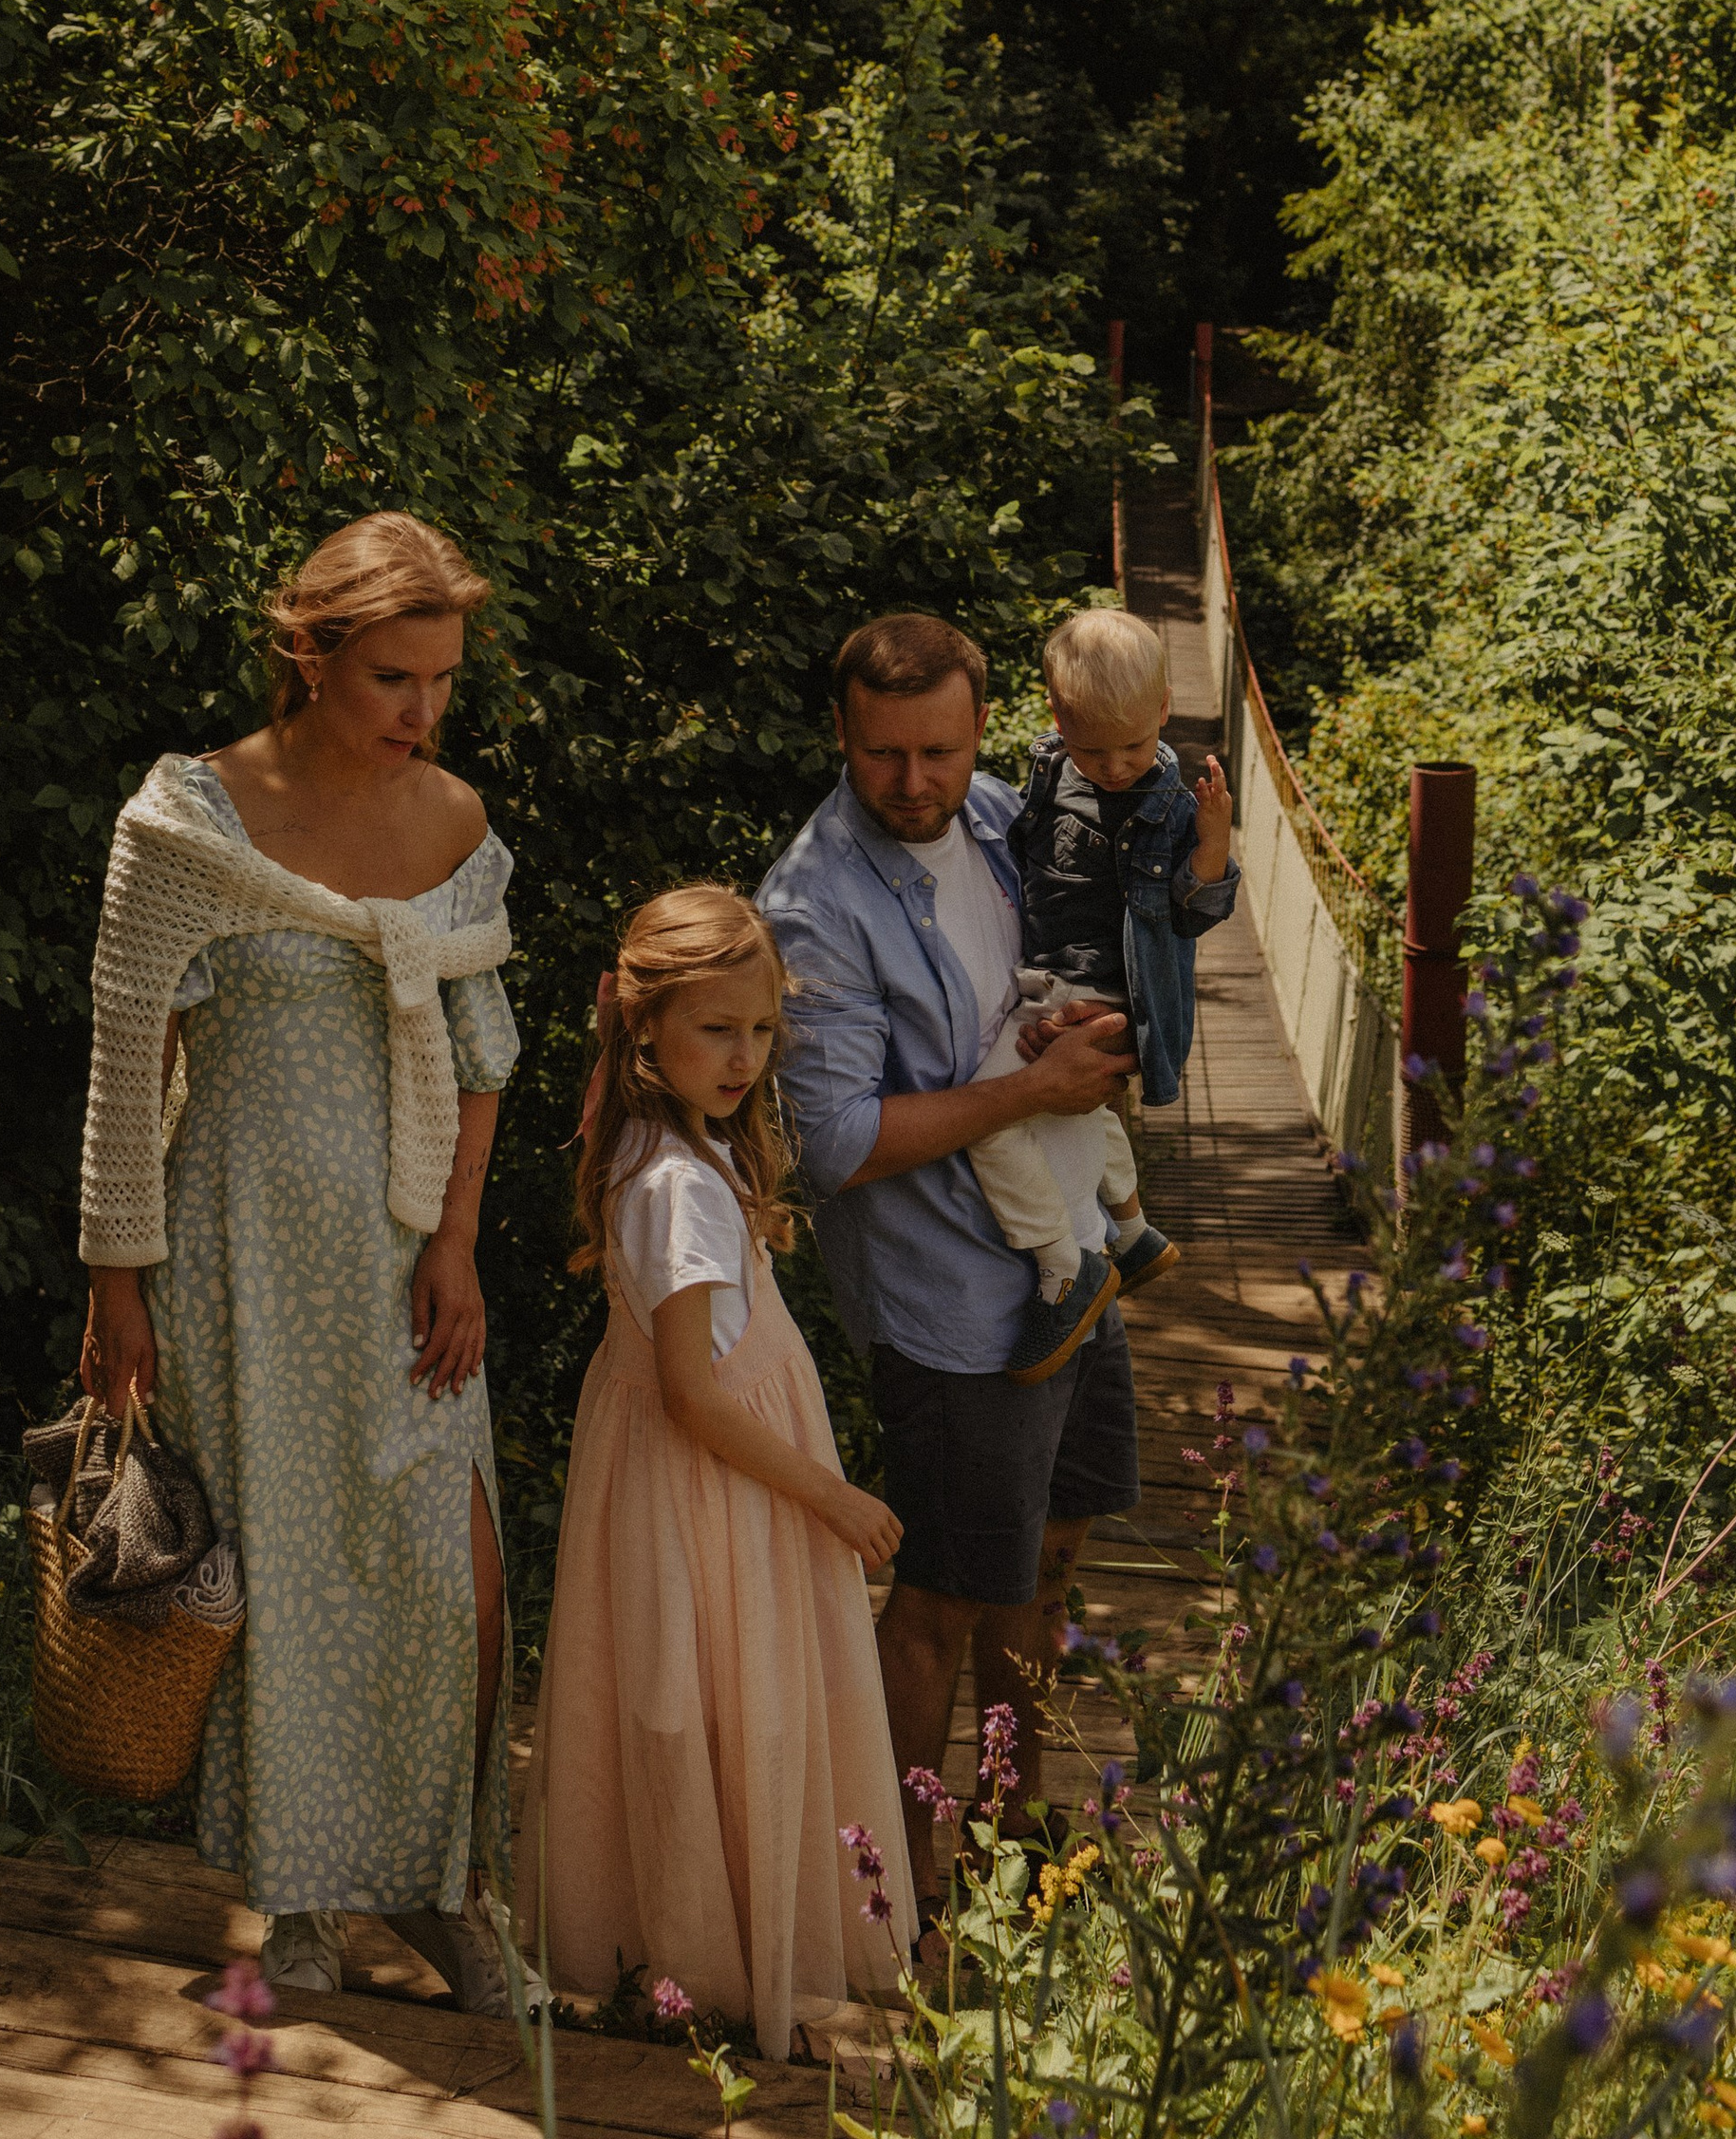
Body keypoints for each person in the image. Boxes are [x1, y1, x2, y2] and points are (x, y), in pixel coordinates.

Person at [76, 510, 525, 2015]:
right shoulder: (187, 824)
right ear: (312, 654)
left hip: (404, 1260)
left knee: (451, 1580)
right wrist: (115, 1284)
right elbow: (128, 1062)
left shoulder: (454, 825)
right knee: (283, 1581)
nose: (424, 711)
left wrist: (458, 1240)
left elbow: (482, 1051)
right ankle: (306, 1902)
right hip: (235, 1258)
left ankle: (460, 1896)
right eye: (396, 676)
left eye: (445, 680)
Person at [755, 612, 1141, 1938]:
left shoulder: (998, 818)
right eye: (880, 757)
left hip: (1067, 1255)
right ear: (845, 739)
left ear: (980, 729)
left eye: (934, 750)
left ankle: (1009, 1821)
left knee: (1053, 1547)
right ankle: (895, 1886)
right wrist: (1037, 1084)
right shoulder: (812, 903)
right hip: (950, 1303)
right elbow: (832, 1144)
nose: (911, 783)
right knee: (938, 1598)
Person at [518, 887, 911, 2059]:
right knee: (722, 1705)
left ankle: (703, 1952)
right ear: (644, 1032)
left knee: (695, 1702)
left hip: (702, 1486)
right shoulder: (677, 1187)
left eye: (760, 1029)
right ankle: (717, 1965)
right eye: (716, 1031)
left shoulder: (674, 1147)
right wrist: (830, 1495)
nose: (745, 1057)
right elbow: (694, 1393)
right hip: (719, 1496)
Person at [963, 604, 1238, 1364]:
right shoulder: (1053, 762)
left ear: (1163, 710)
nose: (1116, 767)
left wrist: (1213, 842)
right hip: (1048, 977)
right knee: (1077, 1107)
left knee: (985, 1118)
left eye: (1134, 746)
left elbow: (1199, 909)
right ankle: (1131, 1229)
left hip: (1114, 991)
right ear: (1056, 718)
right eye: (1094, 749)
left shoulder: (1172, 807)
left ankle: (1063, 1262)